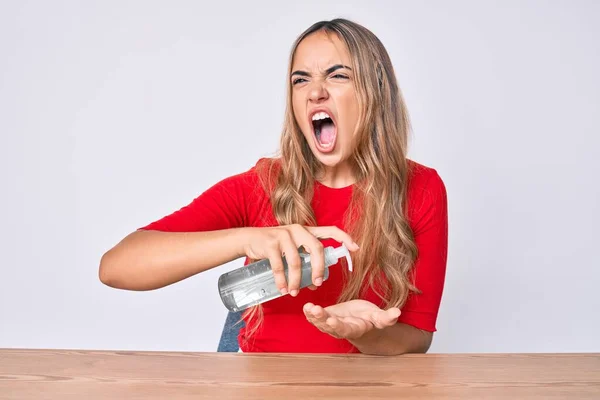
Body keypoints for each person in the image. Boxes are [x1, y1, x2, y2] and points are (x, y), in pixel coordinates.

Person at [99, 18, 448, 356]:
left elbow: (417, 337)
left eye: (338, 75)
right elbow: (116, 267)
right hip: (260, 386)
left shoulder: (421, 189)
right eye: (301, 80)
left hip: (362, 389)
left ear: (376, 91)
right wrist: (247, 239)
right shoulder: (261, 185)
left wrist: (365, 335)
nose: (315, 92)